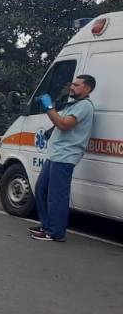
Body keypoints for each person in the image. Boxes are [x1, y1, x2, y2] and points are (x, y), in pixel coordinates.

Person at [30, 74, 97, 242]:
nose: (72, 87)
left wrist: (49, 107)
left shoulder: (84, 106)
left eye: (76, 85)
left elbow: (65, 124)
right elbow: (59, 123)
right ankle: (47, 225)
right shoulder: (74, 104)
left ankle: (55, 232)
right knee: (41, 189)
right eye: (72, 84)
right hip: (56, 154)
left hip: (66, 156)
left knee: (57, 195)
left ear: (87, 88)